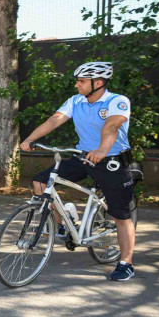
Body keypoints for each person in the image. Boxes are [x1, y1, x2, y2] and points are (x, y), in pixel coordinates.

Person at [20, 61, 136, 281]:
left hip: (111, 161)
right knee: (41, 183)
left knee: (121, 215)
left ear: (98, 82)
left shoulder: (117, 101)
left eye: (82, 81)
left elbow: (111, 125)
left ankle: (126, 262)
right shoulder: (76, 101)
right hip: (84, 157)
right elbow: (55, 120)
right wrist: (30, 139)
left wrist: (102, 149)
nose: (77, 85)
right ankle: (63, 226)